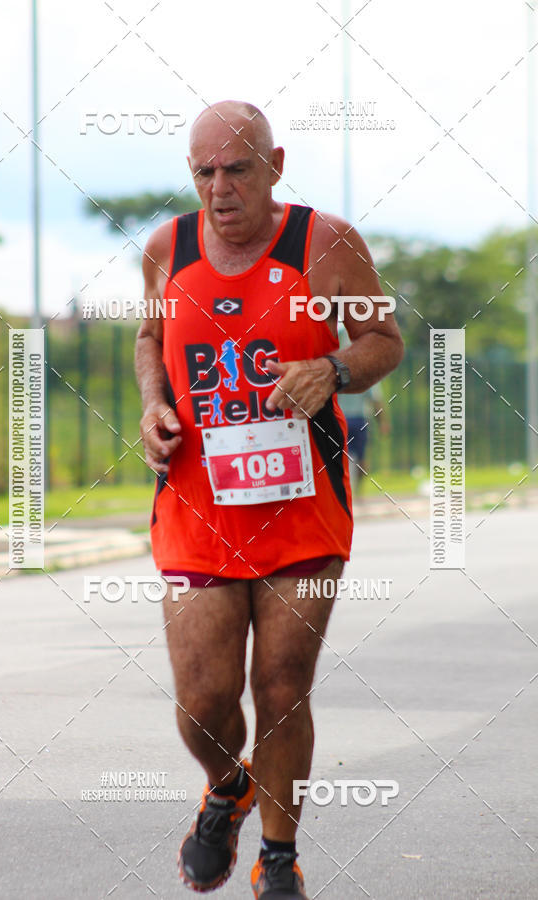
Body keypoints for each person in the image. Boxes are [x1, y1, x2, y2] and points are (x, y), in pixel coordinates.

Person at [135, 100, 403, 899]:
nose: (220, 188)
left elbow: (383, 340)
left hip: (302, 505)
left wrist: (337, 372)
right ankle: (227, 786)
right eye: (204, 171)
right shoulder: (165, 249)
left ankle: (279, 858)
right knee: (204, 699)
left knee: (283, 683)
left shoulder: (326, 244)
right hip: (196, 506)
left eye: (238, 169)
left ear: (275, 165)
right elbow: (150, 339)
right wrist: (153, 405)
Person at [337, 325, 391, 497]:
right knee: (360, 458)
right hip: (356, 419)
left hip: (344, 418)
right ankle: (356, 492)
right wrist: (382, 422)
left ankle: (349, 492)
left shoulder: (332, 369)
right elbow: (375, 400)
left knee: (343, 458)